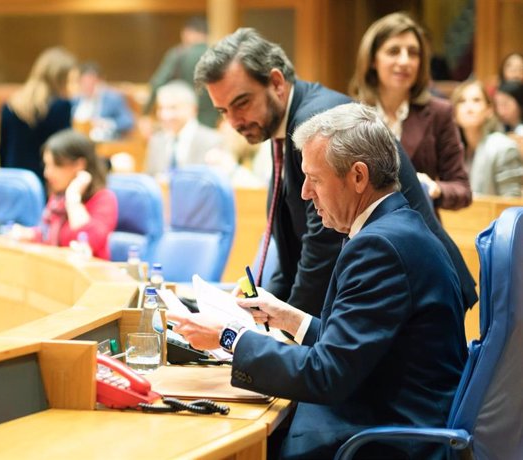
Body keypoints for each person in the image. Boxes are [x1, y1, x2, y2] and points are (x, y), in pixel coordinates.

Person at [169, 103, 467, 459]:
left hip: (385, 437)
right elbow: (358, 344)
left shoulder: (380, 247)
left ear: (358, 177)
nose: (306, 193)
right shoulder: (395, 228)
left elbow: (327, 374)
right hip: (382, 411)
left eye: (315, 178)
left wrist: (228, 337)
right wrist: (287, 316)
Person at [193, 27, 477, 316]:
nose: (234, 121)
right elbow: (291, 246)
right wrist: (257, 315)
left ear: (276, 83)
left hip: (418, 295)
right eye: (223, 111)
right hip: (396, 292)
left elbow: (322, 247)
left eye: (241, 103)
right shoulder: (279, 122)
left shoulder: (315, 123)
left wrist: (285, 332)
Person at [348, 12, 471, 214]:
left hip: (420, 232)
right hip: (366, 234)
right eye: (393, 51)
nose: (405, 61)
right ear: (372, 60)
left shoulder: (440, 112)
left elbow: (462, 190)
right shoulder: (351, 114)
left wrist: (436, 189)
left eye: (413, 53)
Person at [9, 129, 118, 260]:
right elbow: (47, 234)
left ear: (79, 165)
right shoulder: (58, 198)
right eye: (46, 165)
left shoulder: (104, 199)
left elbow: (86, 239)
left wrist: (73, 198)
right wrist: (30, 235)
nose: (47, 173)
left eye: (55, 166)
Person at [0, 47, 76, 189]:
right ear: (59, 79)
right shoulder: (61, 106)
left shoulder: (9, 105)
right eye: (71, 81)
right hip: (45, 184)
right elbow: (65, 152)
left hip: (13, 183)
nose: (73, 87)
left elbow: (2, 152)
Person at [142, 16, 219, 128]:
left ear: (187, 33)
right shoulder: (218, 55)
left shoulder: (179, 54)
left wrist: (146, 113)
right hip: (212, 118)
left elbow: (158, 83)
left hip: (183, 116)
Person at [452, 80, 523, 197]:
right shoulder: (455, 151)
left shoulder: (504, 148)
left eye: (476, 100)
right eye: (462, 101)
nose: (469, 107)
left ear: (489, 110)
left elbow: (512, 207)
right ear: (454, 114)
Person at [144, 80, 223, 178]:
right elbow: (149, 180)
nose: (165, 115)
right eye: (161, 108)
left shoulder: (212, 140)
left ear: (192, 109)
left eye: (173, 108)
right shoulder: (157, 140)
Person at [70, 61, 135, 141]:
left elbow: (128, 121)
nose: (88, 86)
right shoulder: (76, 99)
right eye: (84, 82)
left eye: (92, 82)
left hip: (104, 140)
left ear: (100, 81)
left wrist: (106, 123)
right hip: (77, 138)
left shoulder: (113, 98)